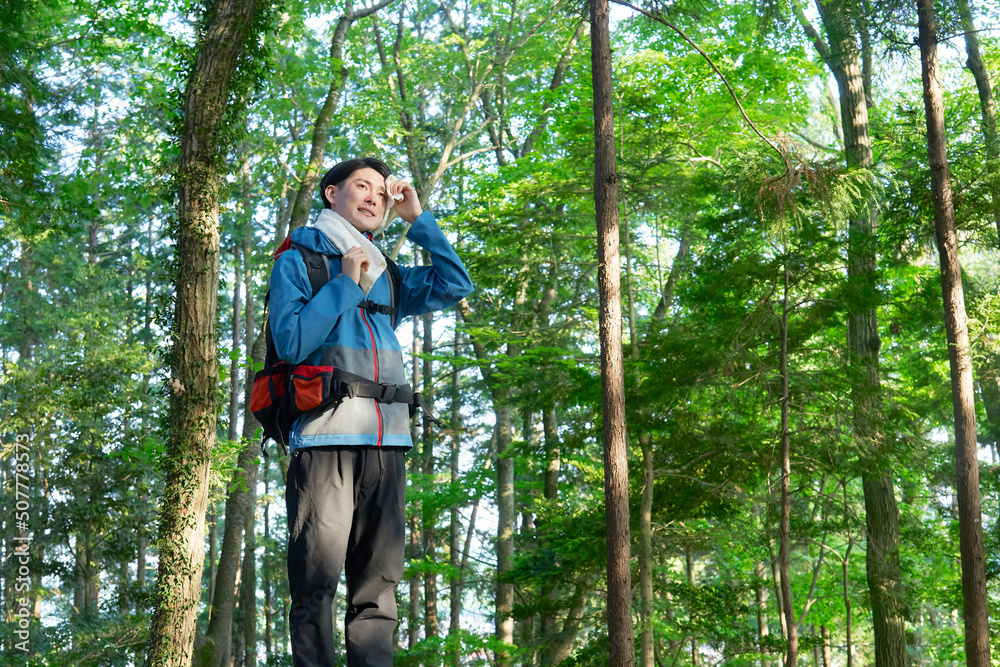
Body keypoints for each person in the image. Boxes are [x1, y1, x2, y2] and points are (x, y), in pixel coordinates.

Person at [269, 157, 473, 667]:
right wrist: (344, 285)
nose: (374, 198)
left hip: (388, 445)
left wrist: (417, 219)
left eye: (383, 193)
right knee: (316, 584)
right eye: (362, 187)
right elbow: (291, 341)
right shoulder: (300, 257)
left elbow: (455, 284)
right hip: (324, 442)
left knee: (379, 592)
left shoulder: (390, 274)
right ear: (331, 193)